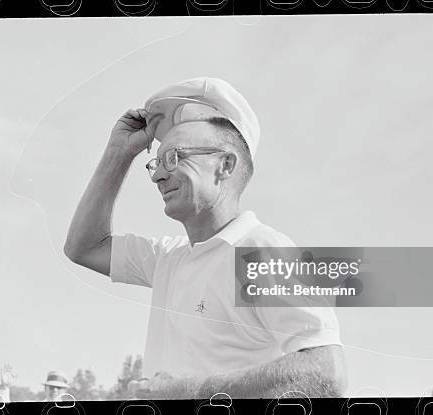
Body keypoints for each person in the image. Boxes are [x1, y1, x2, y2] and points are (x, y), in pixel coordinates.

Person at [64, 77, 347, 399]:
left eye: (174, 158)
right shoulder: (168, 258)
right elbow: (84, 247)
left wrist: (188, 391)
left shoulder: (263, 250)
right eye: (156, 162)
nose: (157, 175)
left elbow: (326, 373)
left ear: (225, 165)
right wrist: (119, 153)